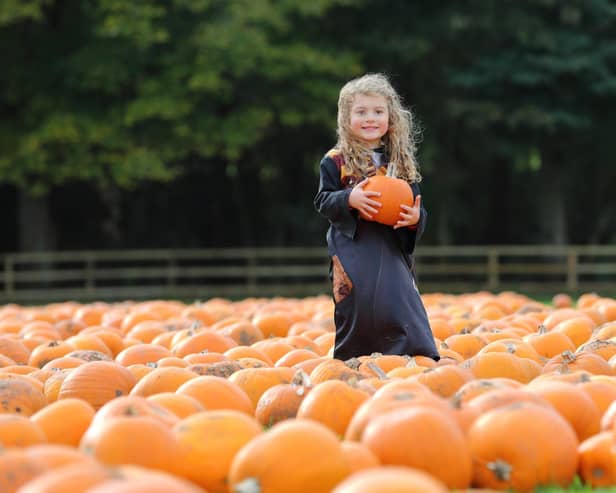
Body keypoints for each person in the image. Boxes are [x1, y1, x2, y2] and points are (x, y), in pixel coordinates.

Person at [314, 72, 439, 361]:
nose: (370, 118)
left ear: (391, 118)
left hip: (390, 245)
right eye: (361, 112)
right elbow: (322, 200)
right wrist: (349, 198)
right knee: (357, 302)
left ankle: (413, 355)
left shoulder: (399, 161)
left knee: (400, 300)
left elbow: (416, 205)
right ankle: (354, 359)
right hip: (353, 248)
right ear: (346, 118)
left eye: (378, 112)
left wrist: (415, 219)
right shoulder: (335, 160)